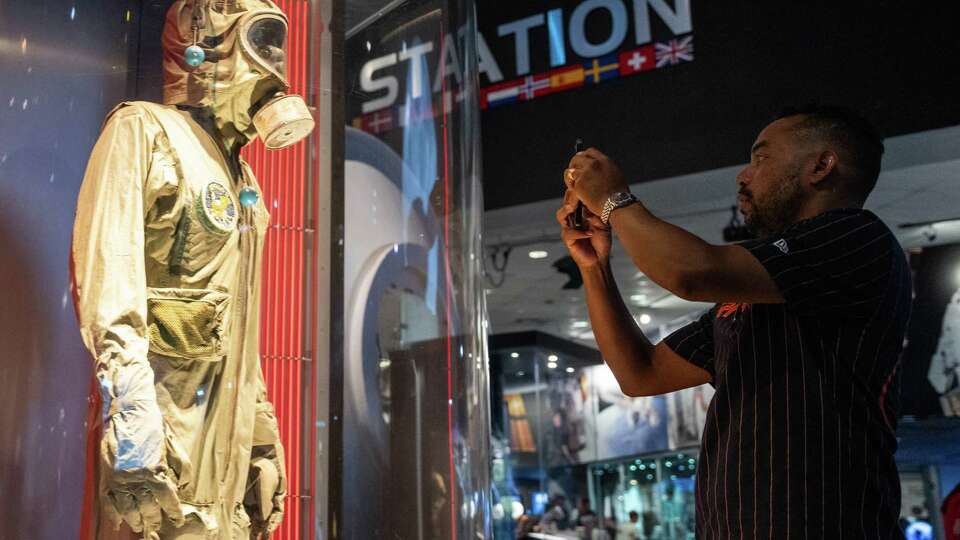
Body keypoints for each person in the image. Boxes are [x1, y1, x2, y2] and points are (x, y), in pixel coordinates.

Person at [557, 105, 912, 537]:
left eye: (761, 158)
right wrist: (594, 268)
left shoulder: (857, 238)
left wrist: (615, 201)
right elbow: (640, 373)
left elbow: (693, 272)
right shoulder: (750, 300)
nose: (743, 175)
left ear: (820, 166)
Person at [72, 1, 313, 537]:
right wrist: (132, 426)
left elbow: (240, 329)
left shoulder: (242, 176)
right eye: (261, 42)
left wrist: (261, 438)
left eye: (278, 44)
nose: (274, 62)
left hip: (222, 461)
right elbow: (111, 294)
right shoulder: (142, 132)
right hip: (160, 452)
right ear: (200, 40)